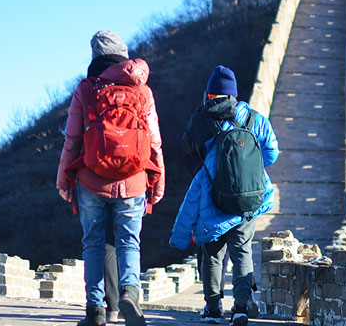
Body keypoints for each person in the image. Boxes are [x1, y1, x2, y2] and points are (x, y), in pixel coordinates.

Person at [57, 30, 165, 326]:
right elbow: (155, 142)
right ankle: (130, 293)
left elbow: (72, 140)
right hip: (134, 179)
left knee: (93, 243)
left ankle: (95, 310)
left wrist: (63, 179)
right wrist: (158, 181)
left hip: (91, 180)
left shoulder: (86, 88)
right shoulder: (143, 91)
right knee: (129, 242)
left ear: (95, 57)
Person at [169, 65, 279, 326]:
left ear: (209, 94)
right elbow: (272, 154)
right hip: (248, 198)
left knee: (212, 254)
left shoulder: (200, 120)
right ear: (234, 94)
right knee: (242, 251)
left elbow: (188, 149)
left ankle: (213, 309)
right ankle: (240, 308)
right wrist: (247, 167)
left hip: (212, 198)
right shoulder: (254, 119)